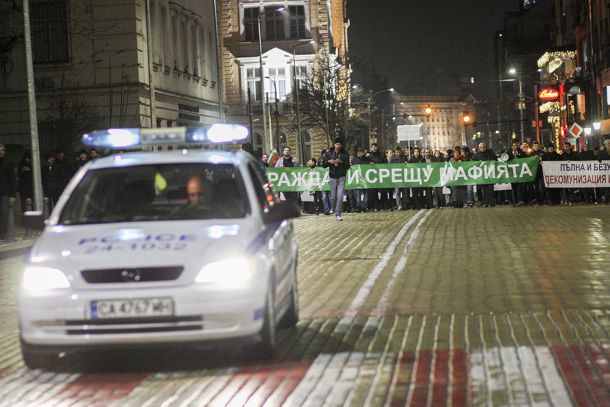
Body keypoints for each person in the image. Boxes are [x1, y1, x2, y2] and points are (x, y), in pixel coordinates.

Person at [323, 137, 350, 221]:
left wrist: (341, 161)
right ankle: (334, 210)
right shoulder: (329, 153)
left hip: (341, 176)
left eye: (339, 144)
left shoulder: (345, 153)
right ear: (334, 145)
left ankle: (338, 214)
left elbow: (347, 166)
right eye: (336, 144)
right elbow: (323, 165)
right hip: (332, 177)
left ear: (341, 145)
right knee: (333, 197)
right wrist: (328, 162)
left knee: (340, 196)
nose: (338, 146)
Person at [471, 142, 496, 207]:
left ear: (486, 147)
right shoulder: (476, 155)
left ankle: (491, 202)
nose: (482, 148)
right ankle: (486, 203)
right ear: (479, 148)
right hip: (482, 175)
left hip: (490, 174)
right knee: (484, 189)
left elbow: (495, 161)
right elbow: (472, 163)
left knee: (490, 189)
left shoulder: (490, 153)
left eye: (483, 147)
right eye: (481, 147)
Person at [0, 144, 16, 240]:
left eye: (2, 150)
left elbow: (12, 179)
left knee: (5, 213)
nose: (0, 152)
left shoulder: (8, 163)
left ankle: (5, 232)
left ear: (5, 151)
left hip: (5, 192)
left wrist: (12, 194)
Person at [350, 147, 371, 212]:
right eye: (358, 152)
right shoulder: (354, 160)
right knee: (358, 195)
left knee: (366, 195)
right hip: (357, 180)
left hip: (366, 179)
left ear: (363, 152)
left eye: (361, 152)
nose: (359, 153)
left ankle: (365, 207)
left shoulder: (367, 160)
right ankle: (358, 207)